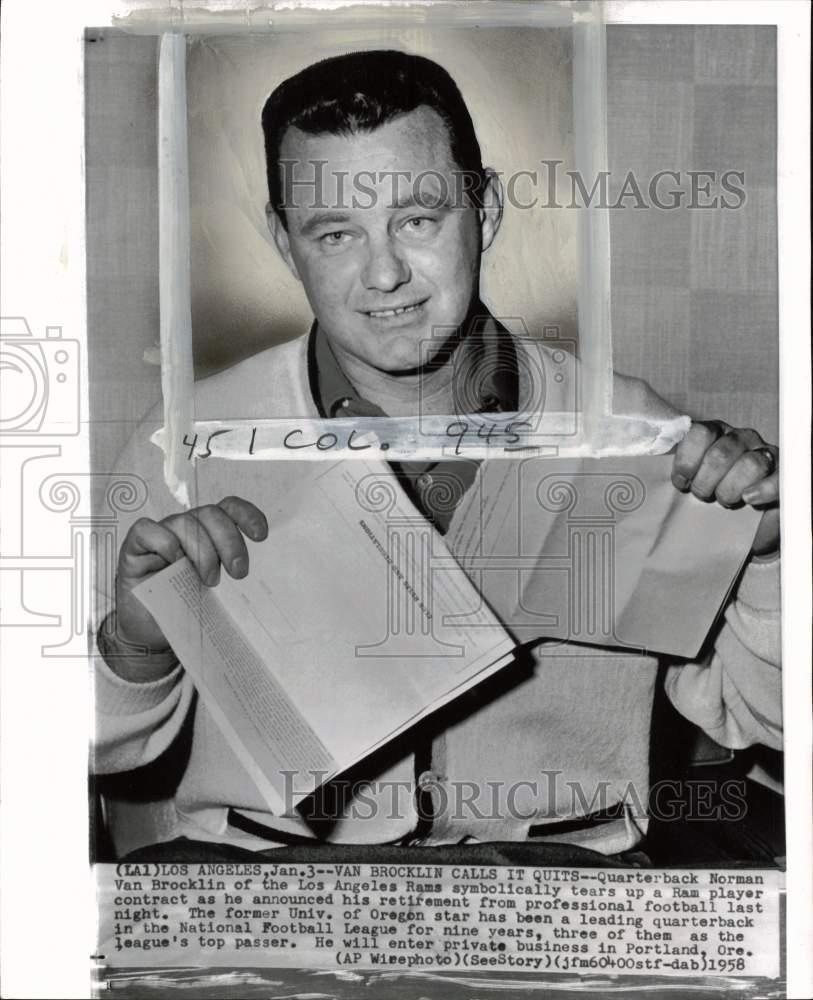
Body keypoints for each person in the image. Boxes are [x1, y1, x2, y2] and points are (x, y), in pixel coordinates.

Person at [93, 50, 781, 861]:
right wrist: (137, 644)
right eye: (335, 233)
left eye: (417, 220)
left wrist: (772, 557)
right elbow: (97, 753)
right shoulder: (186, 442)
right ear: (285, 243)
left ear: (482, 213)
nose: (383, 274)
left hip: (558, 887)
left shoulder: (629, 432)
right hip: (266, 878)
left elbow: (763, 717)